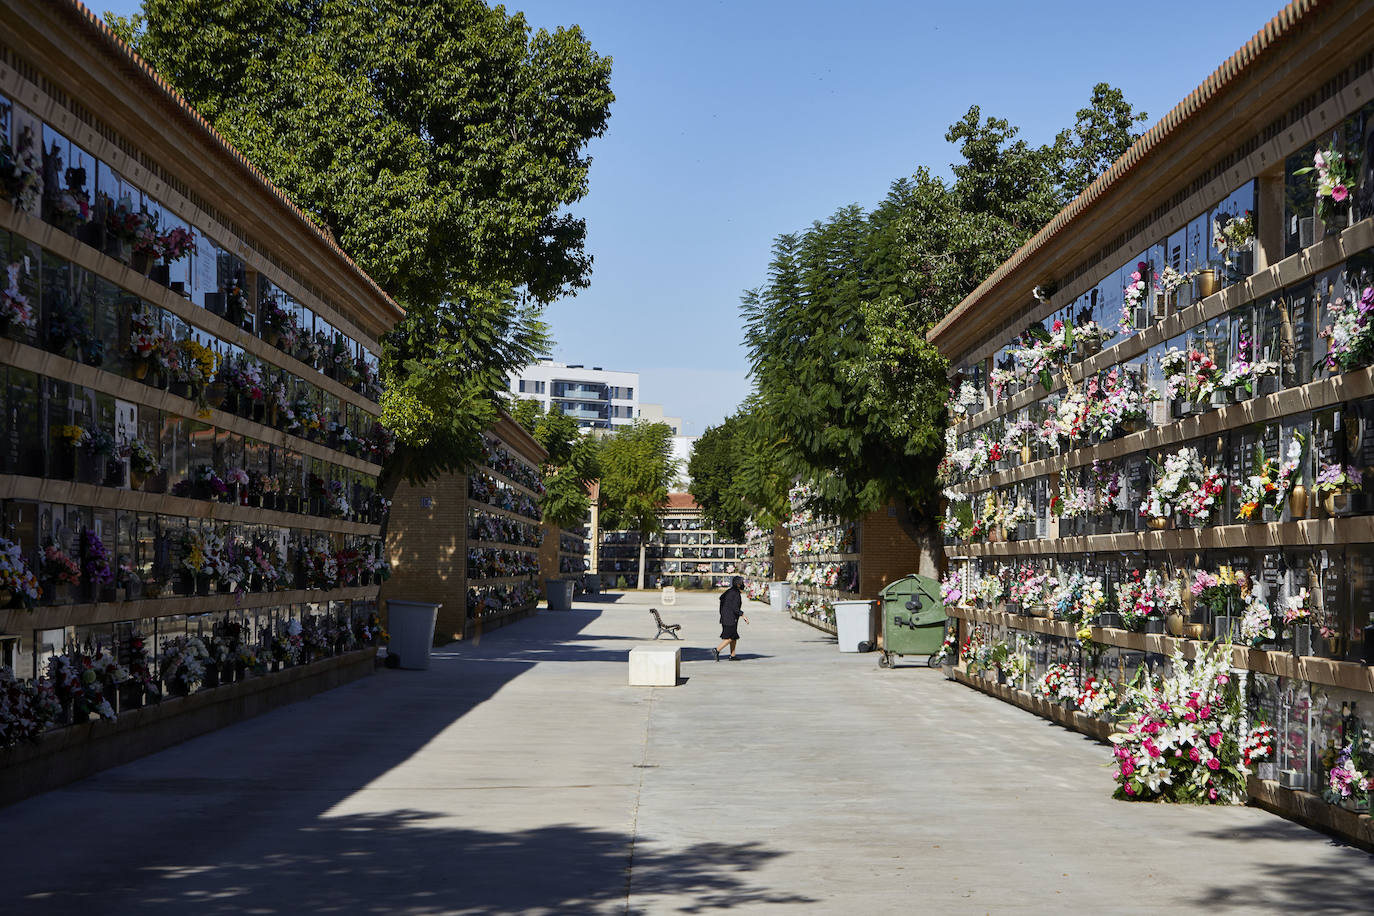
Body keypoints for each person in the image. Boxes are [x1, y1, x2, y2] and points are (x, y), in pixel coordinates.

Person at [714, 576, 749, 661]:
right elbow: (735, 608)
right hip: (730, 618)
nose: (743, 585)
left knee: (734, 636)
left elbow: (722, 601)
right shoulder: (735, 594)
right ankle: (717, 650)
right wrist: (743, 615)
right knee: (730, 637)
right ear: (738, 584)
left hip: (726, 617)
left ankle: (732, 655)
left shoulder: (729, 591)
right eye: (742, 583)